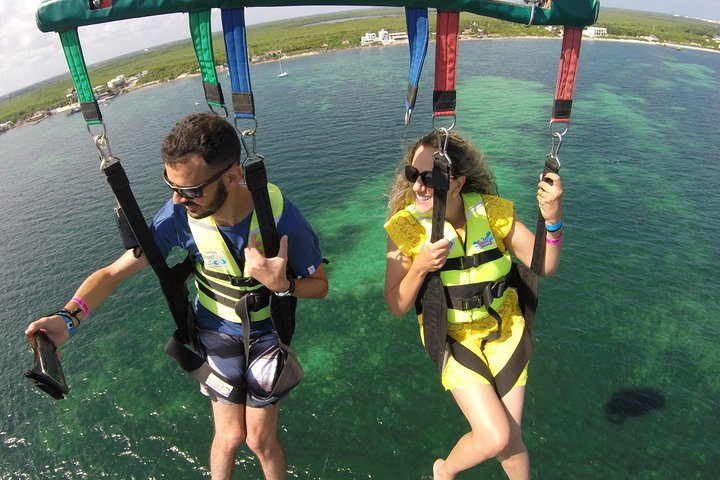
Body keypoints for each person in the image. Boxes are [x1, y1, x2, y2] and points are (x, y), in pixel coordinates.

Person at [25, 112, 328, 480]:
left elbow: (321, 285)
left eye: (191, 190)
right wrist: (69, 317)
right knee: (230, 435)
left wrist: (284, 285)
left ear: (233, 176)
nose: (179, 199)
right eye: (171, 185)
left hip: (267, 333)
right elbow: (115, 271)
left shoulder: (280, 217)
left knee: (260, 441)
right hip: (214, 332)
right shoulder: (180, 216)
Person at [383, 130, 563, 480]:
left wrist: (552, 218)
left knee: (511, 444)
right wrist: (419, 265)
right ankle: (444, 471)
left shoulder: (492, 213)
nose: (417, 187)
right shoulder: (405, 229)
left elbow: (546, 265)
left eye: (429, 177)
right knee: (496, 436)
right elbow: (397, 305)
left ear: (457, 182)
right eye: (411, 175)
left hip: (505, 330)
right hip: (453, 338)